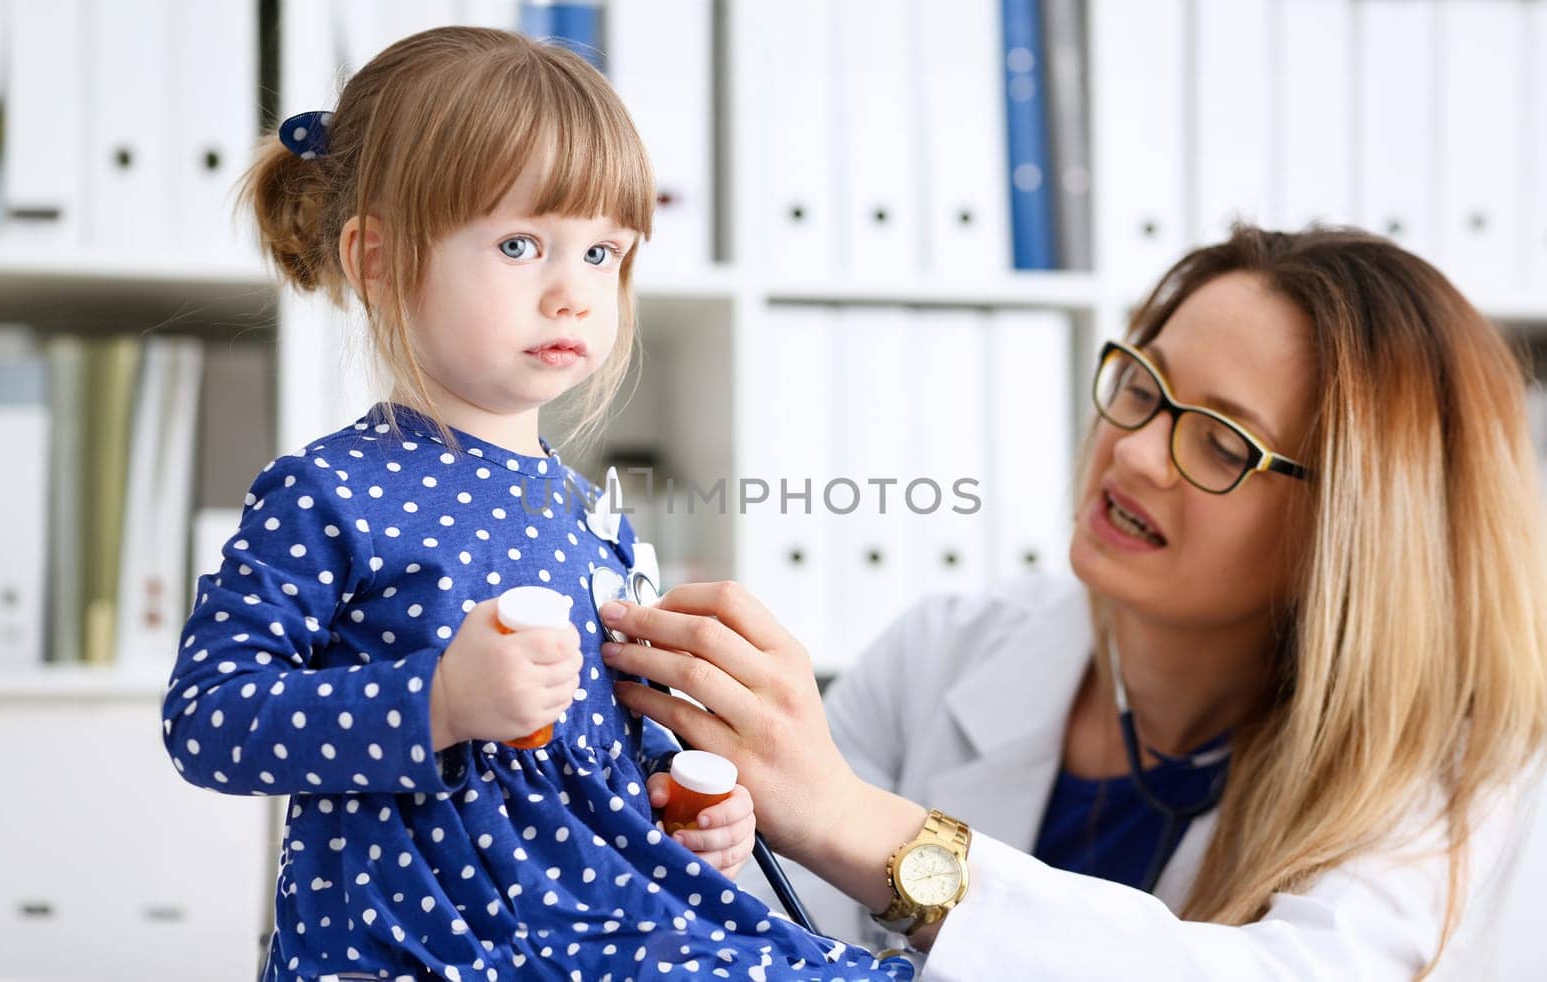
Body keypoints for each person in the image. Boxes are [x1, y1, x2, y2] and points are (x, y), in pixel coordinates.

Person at [161, 26, 912, 981]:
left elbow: (598, 752)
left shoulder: (586, 511)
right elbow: (209, 719)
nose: (573, 295)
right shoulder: (327, 492)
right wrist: (434, 702)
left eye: (604, 253)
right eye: (521, 245)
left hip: (596, 920)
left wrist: (688, 815)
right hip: (430, 943)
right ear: (379, 259)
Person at [604, 225, 1547, 979]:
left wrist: (861, 827)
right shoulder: (942, 655)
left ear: (1356, 528)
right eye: (1144, 386)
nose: (1133, 450)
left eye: (1222, 445)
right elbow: (743, 942)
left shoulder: (1454, 774)